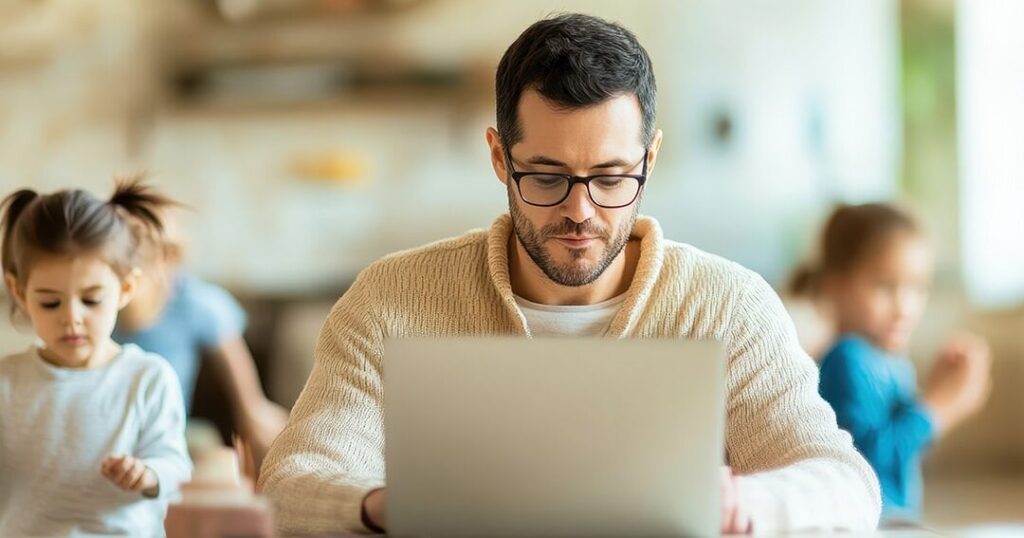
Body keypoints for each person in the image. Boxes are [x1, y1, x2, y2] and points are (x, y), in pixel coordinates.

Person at [259, 13, 881, 535]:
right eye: (547, 177)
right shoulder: (392, 299)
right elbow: (289, 483)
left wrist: (744, 505)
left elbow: (847, 487)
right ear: (500, 158)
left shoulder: (727, 306)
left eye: (611, 178)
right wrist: (380, 506)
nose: (580, 213)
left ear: (650, 159)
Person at [0, 180, 192, 536]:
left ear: (126, 289)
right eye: (50, 302)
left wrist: (147, 474)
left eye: (91, 300)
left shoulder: (147, 378)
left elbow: (176, 467)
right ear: (19, 292)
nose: (71, 317)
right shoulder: (7, 382)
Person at [791, 202, 991, 522]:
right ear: (835, 285)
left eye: (917, 288)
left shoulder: (893, 363)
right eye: (885, 286)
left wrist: (934, 392)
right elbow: (866, 464)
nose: (904, 307)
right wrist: (938, 408)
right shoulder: (847, 358)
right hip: (864, 521)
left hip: (894, 519)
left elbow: (901, 447)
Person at [113, 207, 288, 469]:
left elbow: (236, 368)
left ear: (172, 256)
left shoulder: (195, 301)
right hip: (108, 426)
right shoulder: (102, 296)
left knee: (211, 452)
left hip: (170, 432)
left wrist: (252, 410)